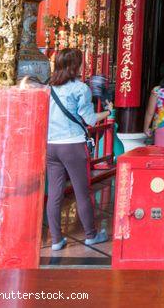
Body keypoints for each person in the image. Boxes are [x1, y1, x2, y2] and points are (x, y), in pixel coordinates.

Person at [45, 48, 111, 251]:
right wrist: (108, 111)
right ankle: (91, 235)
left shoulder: (48, 87)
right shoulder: (80, 88)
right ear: (76, 66)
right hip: (72, 145)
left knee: (55, 193)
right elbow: (90, 119)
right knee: (82, 191)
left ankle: (56, 240)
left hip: (51, 146)